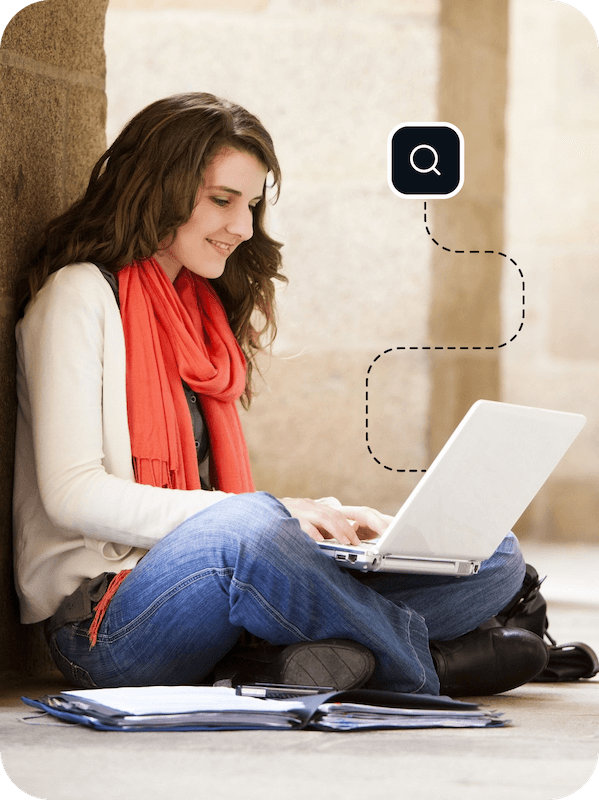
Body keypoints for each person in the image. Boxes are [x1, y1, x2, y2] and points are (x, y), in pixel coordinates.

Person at [13, 92, 548, 695]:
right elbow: (70, 494)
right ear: (158, 188)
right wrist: (268, 516)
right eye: (222, 201)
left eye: (252, 204)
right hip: (109, 623)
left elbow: (221, 504)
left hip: (222, 575)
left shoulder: (200, 310)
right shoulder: (77, 296)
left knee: (491, 555)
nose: (242, 227)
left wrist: (326, 524)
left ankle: (294, 660)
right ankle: (429, 667)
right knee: (251, 532)